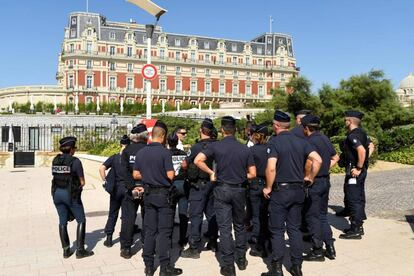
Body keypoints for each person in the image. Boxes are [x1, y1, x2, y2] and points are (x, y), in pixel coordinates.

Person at [262, 110, 322, 276]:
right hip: (298, 190)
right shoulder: (301, 141)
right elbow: (318, 159)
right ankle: (297, 266)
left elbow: (271, 167)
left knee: (277, 230)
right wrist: (309, 177)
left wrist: (268, 187)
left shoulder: (274, 142)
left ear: (276, 126)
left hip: (280, 191)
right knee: (294, 229)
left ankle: (277, 268)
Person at [195, 116, 256, 276]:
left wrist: (211, 172)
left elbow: (198, 160)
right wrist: (241, 176)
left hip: (222, 189)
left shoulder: (216, 146)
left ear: (222, 130)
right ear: (235, 129)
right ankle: (241, 259)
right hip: (239, 190)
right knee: (240, 225)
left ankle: (228, 265)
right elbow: (253, 173)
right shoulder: (245, 149)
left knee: (225, 228)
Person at [133, 121, 183, 276]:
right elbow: (170, 176)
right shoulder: (165, 153)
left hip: (148, 195)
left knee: (150, 231)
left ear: (151, 135)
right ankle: (164, 267)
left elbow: (135, 174)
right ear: (162, 137)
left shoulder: (141, 153)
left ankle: (148, 266)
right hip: (163, 196)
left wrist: (149, 175)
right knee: (164, 232)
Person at [301, 115, 339, 261]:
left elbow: (311, 163)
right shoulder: (324, 138)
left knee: (312, 216)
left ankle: (317, 250)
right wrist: (324, 168)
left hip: (314, 183)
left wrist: (309, 176)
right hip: (325, 181)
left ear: (306, 128)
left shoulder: (308, 141)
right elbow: (336, 158)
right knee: (322, 215)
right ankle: (330, 247)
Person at [181, 118, 219, 259]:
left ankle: (194, 246)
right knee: (212, 214)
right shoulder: (218, 145)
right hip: (214, 184)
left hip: (199, 185)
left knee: (196, 215)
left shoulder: (196, 147)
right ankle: (213, 242)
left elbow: (185, 163)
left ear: (201, 131)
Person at [51, 136, 94, 259]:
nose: (75, 150)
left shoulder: (55, 160)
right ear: (71, 149)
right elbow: (82, 182)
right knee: (81, 220)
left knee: (62, 221)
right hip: (70, 194)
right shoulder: (75, 162)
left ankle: (66, 250)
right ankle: (80, 251)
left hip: (56, 193)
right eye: (74, 148)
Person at [338, 111, 374, 240]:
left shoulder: (352, 135)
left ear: (350, 121)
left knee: (354, 198)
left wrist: (358, 167)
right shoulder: (362, 132)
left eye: (345, 120)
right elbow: (371, 146)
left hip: (355, 171)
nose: (344, 122)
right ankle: (357, 226)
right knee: (358, 196)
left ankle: (356, 228)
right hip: (359, 170)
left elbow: (362, 150)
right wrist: (364, 163)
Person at [119, 123, 148, 258]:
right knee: (147, 217)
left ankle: (125, 248)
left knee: (128, 218)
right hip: (147, 188)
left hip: (130, 189)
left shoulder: (126, 151)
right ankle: (146, 245)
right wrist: (143, 186)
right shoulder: (148, 150)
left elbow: (124, 171)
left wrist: (132, 187)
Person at [99, 135, 130, 247]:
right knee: (126, 216)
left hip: (115, 189)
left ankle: (109, 238)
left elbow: (101, 168)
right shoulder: (130, 158)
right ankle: (124, 239)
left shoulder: (114, 157)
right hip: (126, 188)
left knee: (113, 213)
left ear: (120, 145)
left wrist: (105, 180)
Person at [248, 123, 271, 258]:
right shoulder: (271, 149)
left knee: (256, 215)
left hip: (255, 184)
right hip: (268, 184)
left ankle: (257, 239)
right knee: (267, 214)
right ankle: (267, 238)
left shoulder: (252, 151)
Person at [167, 132, 189, 248]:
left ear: (168, 142)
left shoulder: (165, 154)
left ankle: (168, 238)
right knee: (183, 214)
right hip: (183, 184)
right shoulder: (183, 154)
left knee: (169, 213)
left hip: (171, 185)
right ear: (177, 142)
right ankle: (182, 239)